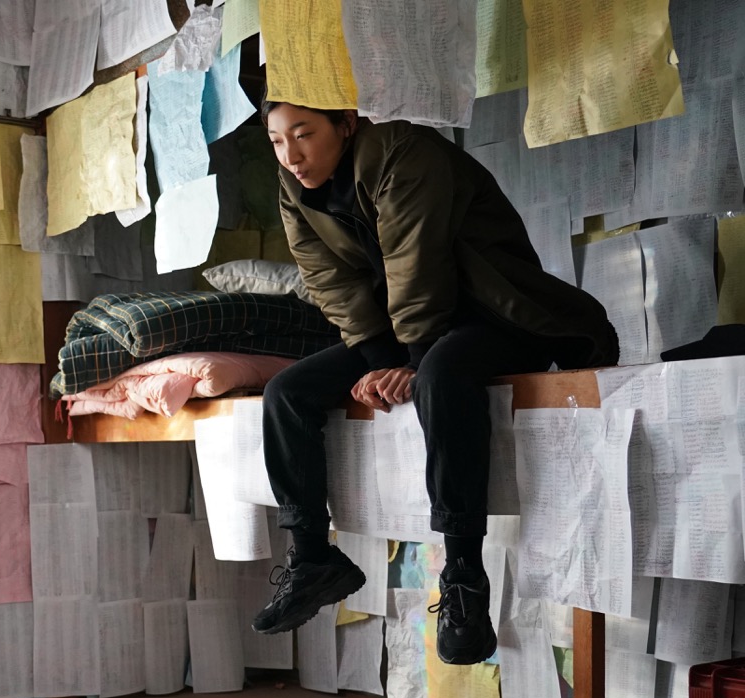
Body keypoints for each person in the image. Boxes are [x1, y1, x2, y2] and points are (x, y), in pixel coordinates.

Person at [252, 101, 618, 664]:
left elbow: (413, 259)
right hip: (409, 329)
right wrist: (380, 361)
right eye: (277, 141)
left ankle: (464, 578)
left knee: (442, 376)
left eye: (303, 134)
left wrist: (416, 363)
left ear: (346, 124)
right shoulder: (295, 188)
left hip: (499, 313)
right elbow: (329, 279)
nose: (291, 156)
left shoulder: (403, 152)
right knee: (286, 393)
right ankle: (313, 559)